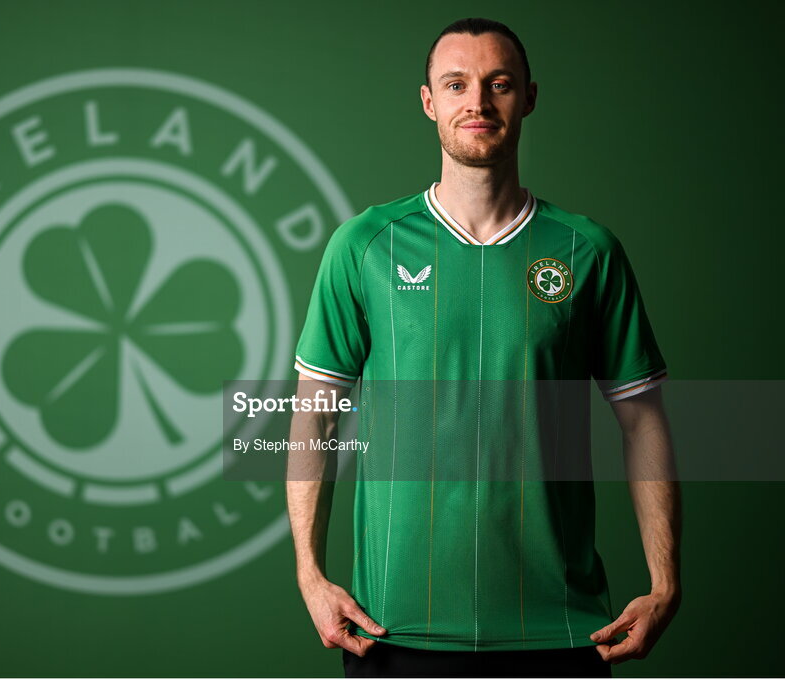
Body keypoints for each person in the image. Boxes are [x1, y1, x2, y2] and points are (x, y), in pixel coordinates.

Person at [285, 17, 682, 678]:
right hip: (391, 629)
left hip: (561, 634)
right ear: (428, 101)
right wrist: (309, 573)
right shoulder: (364, 245)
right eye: (457, 84)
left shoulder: (588, 251)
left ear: (527, 97)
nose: (477, 101)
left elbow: (643, 420)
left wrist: (665, 581)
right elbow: (314, 416)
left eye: (498, 84)